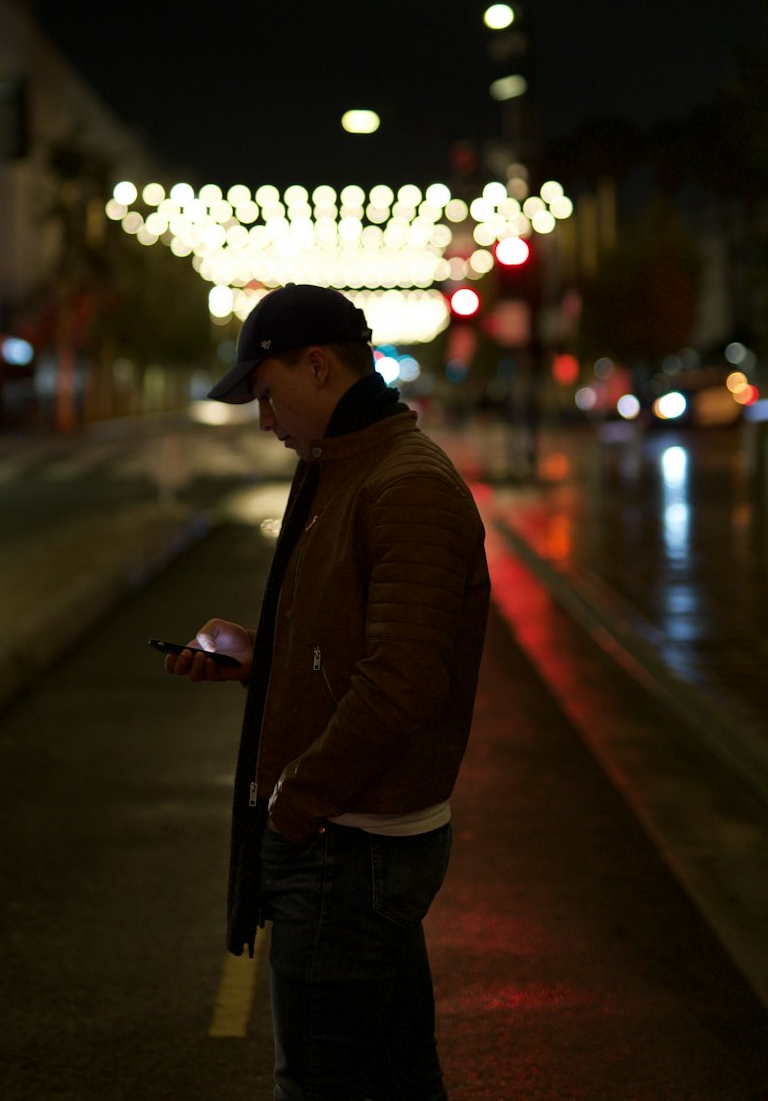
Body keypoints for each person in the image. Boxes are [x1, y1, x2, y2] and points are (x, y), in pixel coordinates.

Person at [165, 283, 490, 1101]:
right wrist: (262, 655)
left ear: (317, 367)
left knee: (320, 1084)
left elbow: (403, 682)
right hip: (353, 836)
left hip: (353, 843)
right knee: (394, 1077)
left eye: (268, 396)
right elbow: (349, 642)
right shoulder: (347, 466)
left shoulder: (402, 482)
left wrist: (293, 803)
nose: (265, 422)